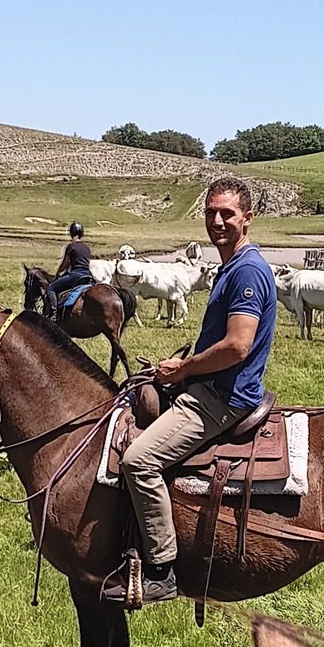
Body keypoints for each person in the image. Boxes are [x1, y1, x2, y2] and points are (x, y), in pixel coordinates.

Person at [104, 177, 276, 607]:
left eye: (227, 214)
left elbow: (238, 345)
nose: (217, 221)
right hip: (210, 384)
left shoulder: (248, 270)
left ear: (248, 219)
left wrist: (184, 369)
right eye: (211, 213)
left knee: (139, 459)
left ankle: (161, 569)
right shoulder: (231, 267)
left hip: (223, 398)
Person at [45, 219, 94, 320]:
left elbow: (65, 264)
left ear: (71, 233)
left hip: (76, 275)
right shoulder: (86, 247)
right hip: (87, 275)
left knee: (51, 288)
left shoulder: (71, 246)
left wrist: (58, 273)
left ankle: (53, 314)